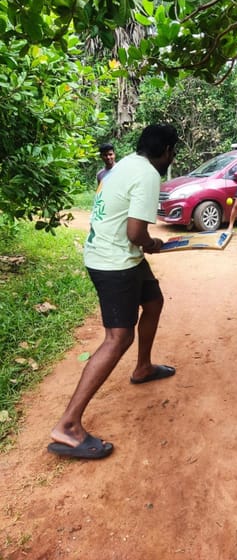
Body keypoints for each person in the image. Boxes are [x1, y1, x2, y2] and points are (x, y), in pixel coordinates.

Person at [47, 124, 179, 460]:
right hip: (113, 261)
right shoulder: (148, 174)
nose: (172, 157)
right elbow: (136, 233)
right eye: (172, 151)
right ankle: (69, 425)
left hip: (118, 255)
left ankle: (143, 368)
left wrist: (143, 246)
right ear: (165, 150)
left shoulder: (125, 164)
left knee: (153, 301)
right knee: (118, 338)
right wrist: (152, 244)